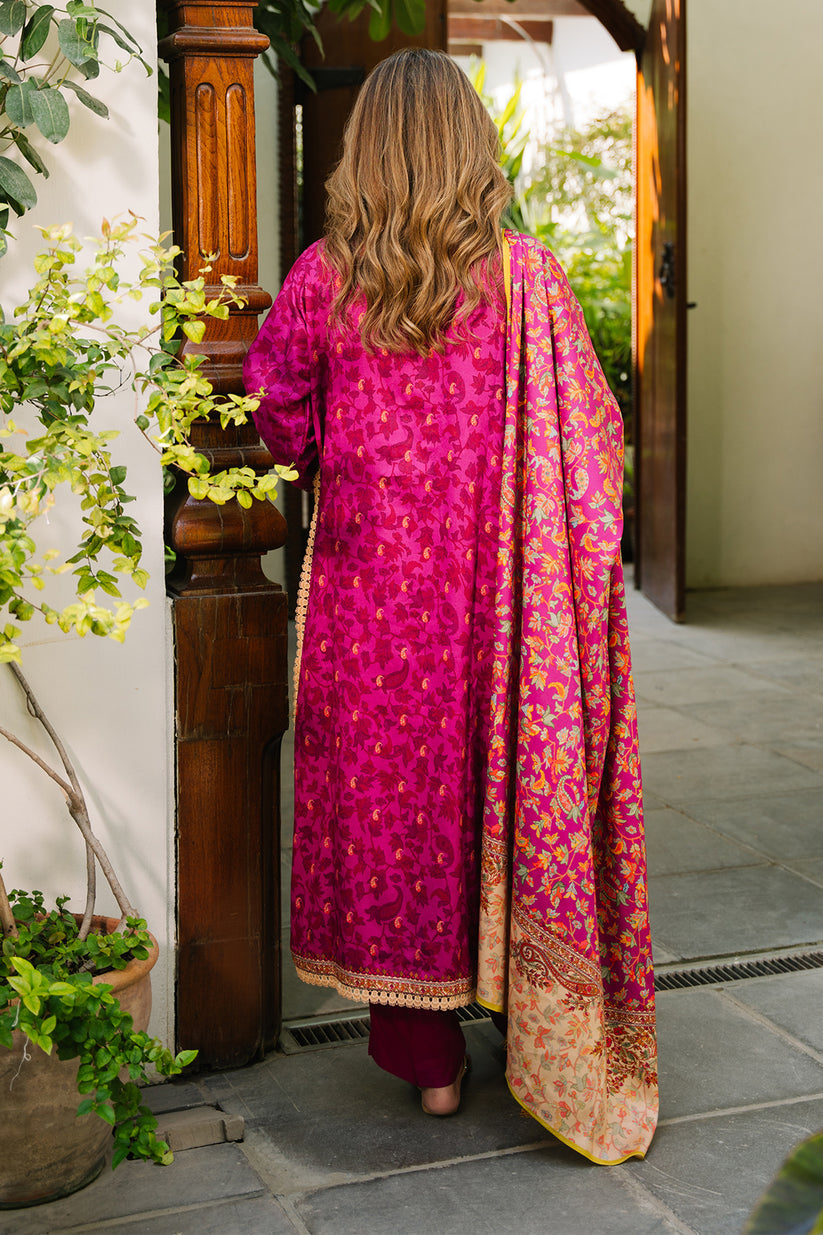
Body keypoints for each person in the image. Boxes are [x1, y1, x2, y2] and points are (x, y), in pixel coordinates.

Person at [243, 48, 658, 1163]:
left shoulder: (328, 278)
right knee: (501, 794)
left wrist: (336, 447)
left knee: (397, 821)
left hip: (372, 612)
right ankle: (532, 1020)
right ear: (473, 150)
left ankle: (428, 1068)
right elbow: (594, 442)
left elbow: (277, 407)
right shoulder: (528, 279)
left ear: (363, 151)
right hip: (499, 609)